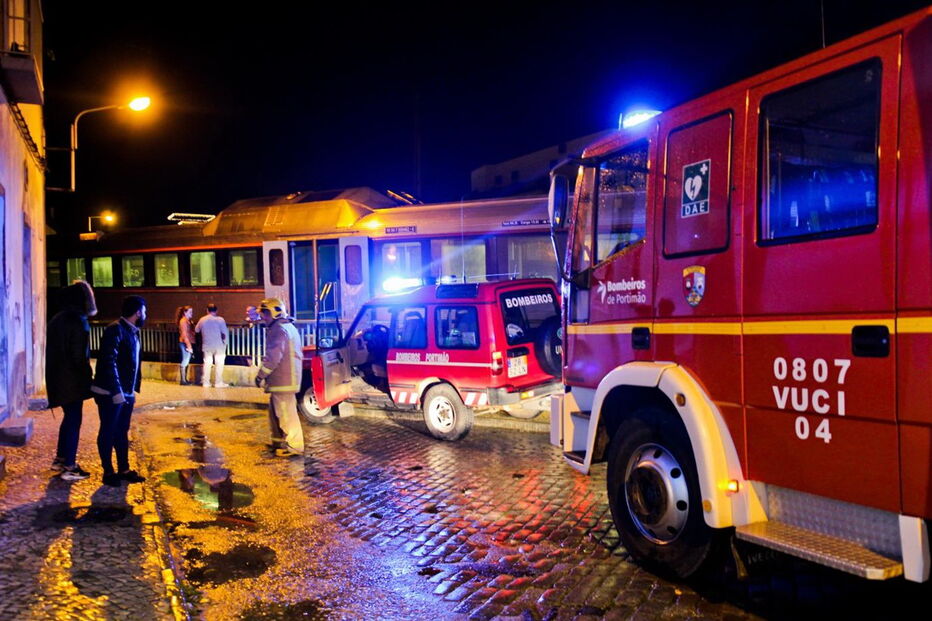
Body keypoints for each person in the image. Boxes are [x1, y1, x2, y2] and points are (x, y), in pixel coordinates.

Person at [90, 295, 147, 487]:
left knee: (122, 431)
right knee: (108, 430)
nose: (145, 314)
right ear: (138, 311)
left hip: (126, 392)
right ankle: (108, 471)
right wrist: (117, 391)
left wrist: (131, 391)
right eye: (144, 310)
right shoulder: (116, 329)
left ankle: (124, 469)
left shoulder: (132, 331)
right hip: (110, 393)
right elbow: (108, 361)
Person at [46, 281, 97, 481]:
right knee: (74, 420)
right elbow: (79, 356)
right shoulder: (78, 320)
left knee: (69, 419)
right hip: (72, 381)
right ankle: (69, 465)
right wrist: (88, 379)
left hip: (57, 378)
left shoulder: (57, 319)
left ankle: (60, 459)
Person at [254, 298, 304, 458]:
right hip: (285, 379)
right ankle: (278, 442)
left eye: (265, 313)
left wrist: (260, 375)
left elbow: (273, 357)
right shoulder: (286, 327)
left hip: (283, 380)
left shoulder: (278, 330)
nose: (263, 317)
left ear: (275, 312)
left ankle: (294, 447)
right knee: (275, 413)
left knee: (286, 414)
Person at [195, 303, 229, 388]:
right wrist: (225, 343)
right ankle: (218, 382)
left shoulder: (202, 319)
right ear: (216, 311)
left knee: (207, 364)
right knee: (219, 364)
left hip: (207, 344)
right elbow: (224, 333)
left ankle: (206, 382)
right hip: (219, 345)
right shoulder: (220, 320)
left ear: (207, 310)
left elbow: (196, 330)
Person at [176, 305, 195, 385]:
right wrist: (189, 345)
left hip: (186, 342)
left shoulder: (187, 320)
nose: (192, 313)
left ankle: (184, 379)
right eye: (190, 312)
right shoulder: (183, 321)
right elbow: (184, 334)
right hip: (185, 343)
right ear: (185, 312)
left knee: (186, 360)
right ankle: (183, 380)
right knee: (185, 360)